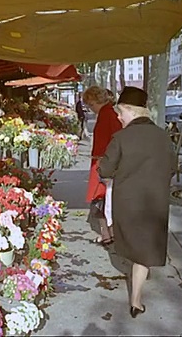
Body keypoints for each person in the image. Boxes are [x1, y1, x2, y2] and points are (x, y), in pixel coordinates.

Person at [97, 86, 176, 318]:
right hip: (155, 202)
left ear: (130, 111)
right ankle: (136, 300)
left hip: (127, 202)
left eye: (120, 113)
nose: (119, 117)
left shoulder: (121, 138)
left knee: (133, 247)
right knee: (144, 252)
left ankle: (135, 294)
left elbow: (105, 169)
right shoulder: (163, 136)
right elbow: (172, 168)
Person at [82, 86, 122, 245]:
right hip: (103, 160)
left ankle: (108, 234)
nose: (90, 108)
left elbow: (114, 139)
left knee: (101, 198)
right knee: (102, 198)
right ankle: (107, 234)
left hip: (103, 162)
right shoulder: (108, 112)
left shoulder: (107, 114)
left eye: (90, 104)